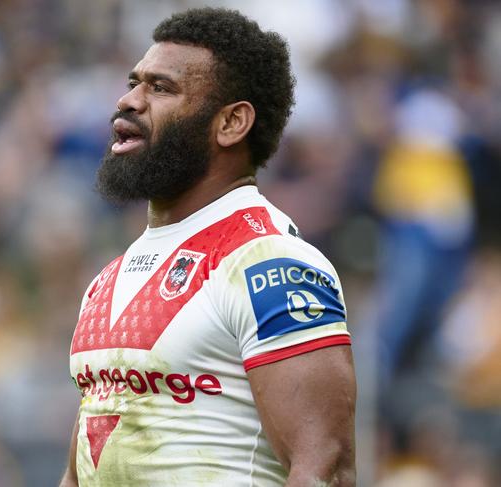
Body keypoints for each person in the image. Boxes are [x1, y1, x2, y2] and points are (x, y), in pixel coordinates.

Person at [60, 8, 356, 487]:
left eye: (161, 88)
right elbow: (81, 473)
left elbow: (324, 468)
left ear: (231, 123)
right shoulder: (108, 280)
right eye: (134, 82)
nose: (129, 100)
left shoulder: (269, 262)